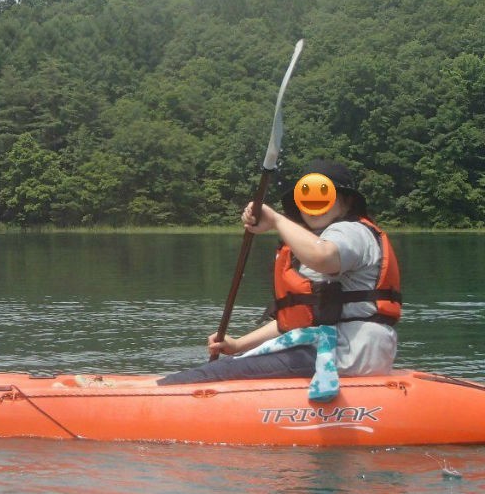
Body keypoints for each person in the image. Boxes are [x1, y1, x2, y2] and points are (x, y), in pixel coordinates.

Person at [158, 159, 400, 387]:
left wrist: (276, 220)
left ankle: (165, 394)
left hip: (348, 352)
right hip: (340, 349)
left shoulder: (350, 231)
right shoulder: (314, 243)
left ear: (347, 202)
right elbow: (297, 319)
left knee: (213, 375)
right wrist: (239, 344)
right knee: (228, 365)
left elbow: (323, 257)